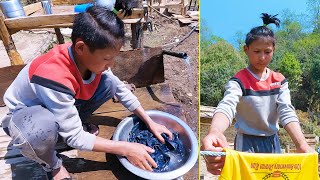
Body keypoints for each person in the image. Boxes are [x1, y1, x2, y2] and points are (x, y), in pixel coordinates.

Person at [1, 6, 172, 180]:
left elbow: (120, 88)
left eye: (114, 57)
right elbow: (75, 138)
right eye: (107, 59)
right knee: (39, 130)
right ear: (81, 47)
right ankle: (52, 164)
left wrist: (150, 122)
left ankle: (70, 127)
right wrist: (126, 148)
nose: (111, 64)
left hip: (57, 107)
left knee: (110, 84)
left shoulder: (87, 57)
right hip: (25, 119)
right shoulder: (53, 75)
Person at [201, 13, 315, 175]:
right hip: (246, 141)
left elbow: (286, 112)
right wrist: (215, 131)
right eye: (256, 51)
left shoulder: (279, 81)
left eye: (267, 52)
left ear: (274, 50)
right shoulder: (239, 81)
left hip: (272, 142)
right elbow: (227, 106)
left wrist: (301, 144)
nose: (262, 57)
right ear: (246, 50)